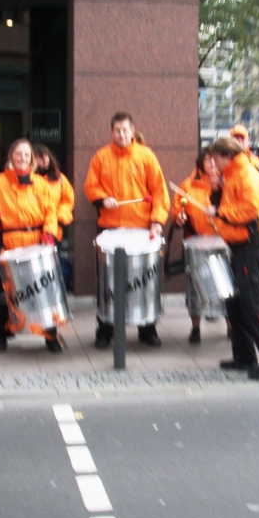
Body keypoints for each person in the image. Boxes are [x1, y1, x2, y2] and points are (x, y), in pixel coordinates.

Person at [83, 111, 171, 348]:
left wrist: (157, 221)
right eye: (117, 130)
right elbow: (91, 186)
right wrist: (102, 198)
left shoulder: (146, 156)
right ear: (111, 132)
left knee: (144, 280)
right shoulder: (101, 157)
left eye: (125, 130)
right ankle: (105, 329)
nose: (121, 134)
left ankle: (147, 328)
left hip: (141, 228)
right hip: (110, 227)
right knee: (107, 281)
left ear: (132, 131)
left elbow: (160, 192)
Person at [206, 137, 259, 380]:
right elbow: (232, 206)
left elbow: (249, 209)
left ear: (226, 155)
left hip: (251, 244)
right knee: (236, 303)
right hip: (239, 244)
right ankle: (244, 356)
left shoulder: (246, 173)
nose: (213, 162)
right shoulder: (233, 173)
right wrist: (217, 192)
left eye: (215, 157)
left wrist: (220, 212)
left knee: (252, 303)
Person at [0, 138, 62, 353]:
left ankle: (50, 335)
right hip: (9, 243)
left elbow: (51, 211)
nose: (22, 158)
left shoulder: (41, 184)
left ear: (32, 159)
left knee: (44, 291)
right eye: (18, 154)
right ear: (11, 157)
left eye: (26, 154)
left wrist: (49, 233)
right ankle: (2, 334)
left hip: (36, 242)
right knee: (6, 293)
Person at [172, 146, 229, 344]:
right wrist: (179, 217)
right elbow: (178, 210)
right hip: (196, 241)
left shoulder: (226, 183)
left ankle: (231, 326)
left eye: (215, 160)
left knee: (225, 286)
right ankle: (195, 328)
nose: (212, 164)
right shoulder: (187, 186)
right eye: (208, 161)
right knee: (194, 287)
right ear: (200, 163)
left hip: (223, 240)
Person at [32, 143, 75, 245]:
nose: (45, 159)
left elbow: (68, 200)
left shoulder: (59, 178)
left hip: (54, 230)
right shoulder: (29, 179)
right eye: (40, 157)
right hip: (33, 231)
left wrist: (61, 216)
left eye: (46, 156)